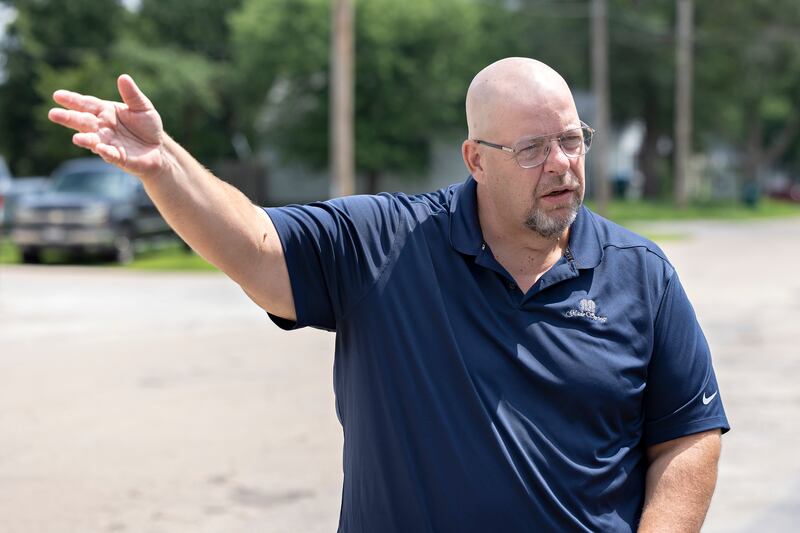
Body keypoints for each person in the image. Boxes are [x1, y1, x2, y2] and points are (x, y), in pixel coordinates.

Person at [48, 57, 729, 532]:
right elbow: (254, 246)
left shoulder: (640, 272)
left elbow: (688, 434)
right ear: (475, 160)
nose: (561, 164)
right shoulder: (384, 245)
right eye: (531, 149)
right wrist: (163, 163)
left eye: (571, 140)